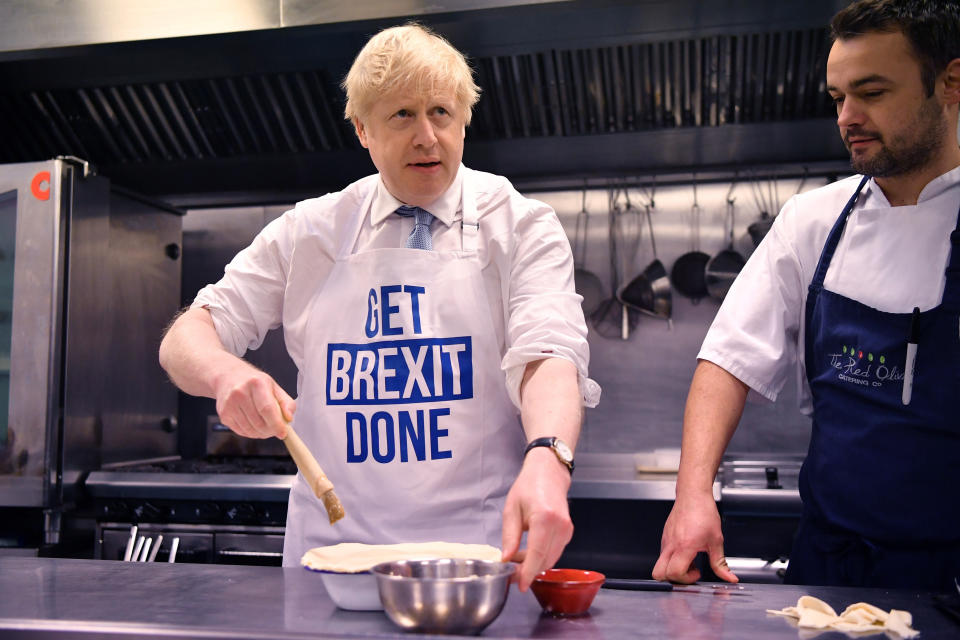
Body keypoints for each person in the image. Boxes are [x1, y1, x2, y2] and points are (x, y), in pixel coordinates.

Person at [158, 23, 599, 591]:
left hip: (477, 563)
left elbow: (549, 354)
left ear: (464, 119)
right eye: (402, 116)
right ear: (362, 130)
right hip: (332, 566)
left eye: (441, 112)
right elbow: (187, 336)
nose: (427, 137)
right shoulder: (309, 232)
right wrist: (226, 374)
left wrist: (548, 456)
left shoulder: (518, 224)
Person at [653, 0, 960, 591]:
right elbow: (727, 358)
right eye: (838, 98)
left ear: (950, 82)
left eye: (871, 92)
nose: (849, 117)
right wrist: (693, 496)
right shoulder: (813, 221)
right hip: (829, 566)